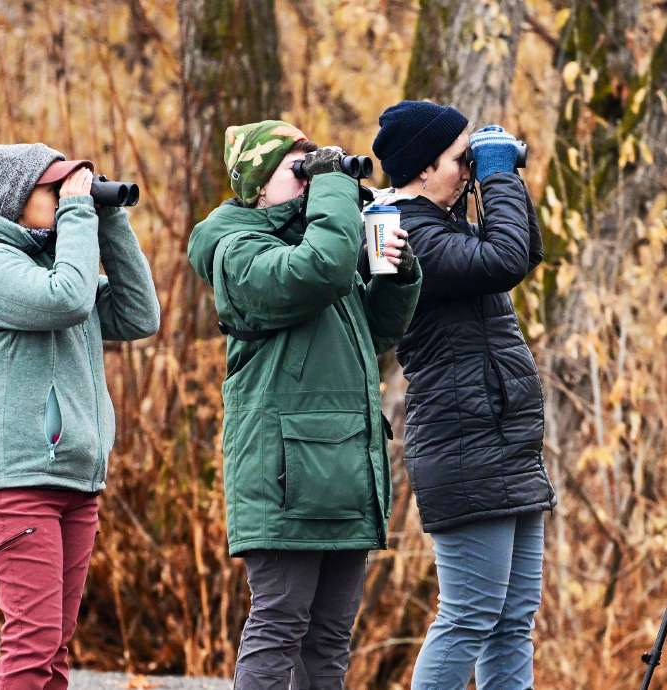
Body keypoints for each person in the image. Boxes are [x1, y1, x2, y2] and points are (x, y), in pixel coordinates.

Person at [186, 120, 423, 690]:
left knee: (329, 640)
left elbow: (377, 331)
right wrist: (338, 189)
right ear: (259, 185)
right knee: (280, 625)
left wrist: (397, 273)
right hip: (285, 476)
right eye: (299, 170)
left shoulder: (315, 243)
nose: (313, 180)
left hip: (340, 471)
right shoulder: (238, 251)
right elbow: (321, 269)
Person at [0, 140, 161, 690]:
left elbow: (141, 315)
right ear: (18, 198)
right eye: (55, 189)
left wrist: (110, 220)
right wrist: (78, 213)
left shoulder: (60, 271)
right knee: (32, 644)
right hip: (16, 481)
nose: (69, 197)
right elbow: (68, 299)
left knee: (54, 651)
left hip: (74, 482)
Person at [369, 101, 555, 689]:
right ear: (424, 168)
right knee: (470, 616)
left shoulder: (444, 225)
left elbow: (525, 250)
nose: (470, 166)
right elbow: (503, 261)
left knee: (513, 619)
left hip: (502, 440)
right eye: (461, 157)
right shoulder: (407, 232)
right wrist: (498, 173)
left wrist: (503, 177)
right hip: (463, 443)